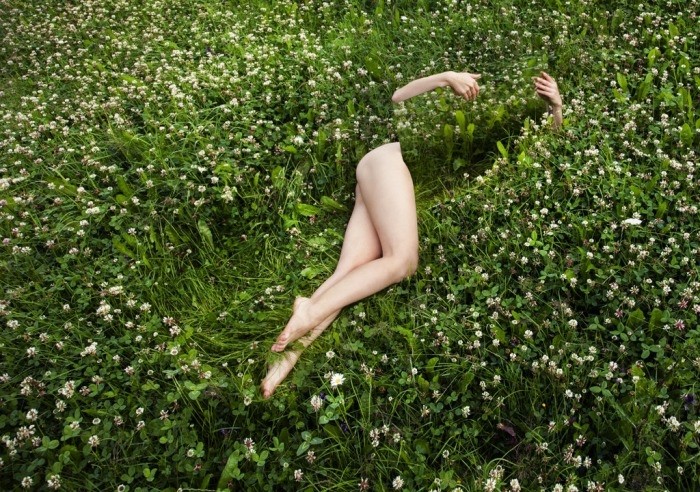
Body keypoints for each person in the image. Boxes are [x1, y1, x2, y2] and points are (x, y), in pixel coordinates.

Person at [260, 70, 562, 398]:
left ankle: (290, 351)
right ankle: (309, 313)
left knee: (350, 272)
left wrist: (556, 107)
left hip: (385, 180)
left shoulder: (510, 136)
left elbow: (547, 147)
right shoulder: (471, 94)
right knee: (403, 260)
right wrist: (446, 78)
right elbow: (398, 98)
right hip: (390, 162)